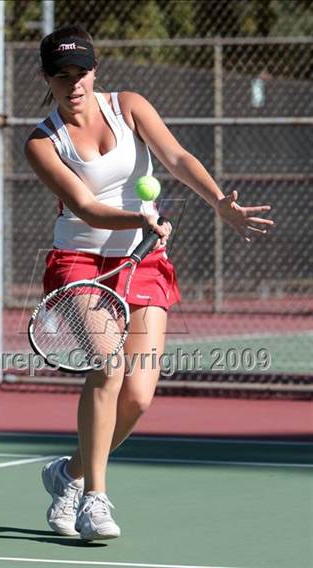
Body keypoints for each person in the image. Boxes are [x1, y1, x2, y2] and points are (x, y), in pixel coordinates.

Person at [25, 25, 273, 541]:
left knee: (137, 396)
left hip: (144, 258)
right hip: (80, 261)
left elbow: (177, 158)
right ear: (48, 79)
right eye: (62, 75)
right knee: (109, 369)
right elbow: (87, 206)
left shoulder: (129, 105)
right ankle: (95, 497)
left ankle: (67, 474)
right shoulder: (41, 143)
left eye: (82, 73)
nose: (75, 84)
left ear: (96, 71)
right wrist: (138, 220)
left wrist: (217, 203)